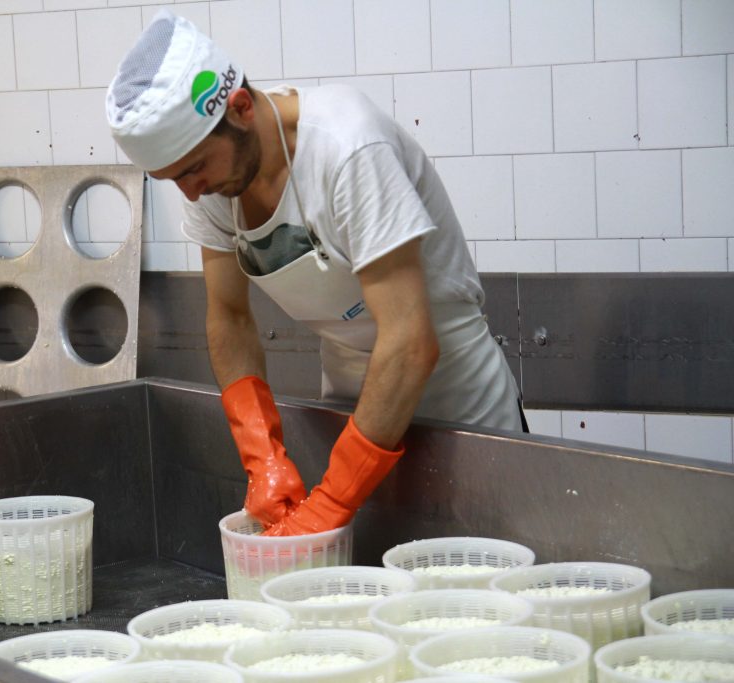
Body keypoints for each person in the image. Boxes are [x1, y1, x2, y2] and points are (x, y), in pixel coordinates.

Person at [106, 11, 524, 537]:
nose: (190, 193)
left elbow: (410, 342)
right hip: (353, 414)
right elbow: (230, 318)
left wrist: (331, 502)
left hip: (461, 409)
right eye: (173, 180)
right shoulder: (216, 182)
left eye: (193, 170)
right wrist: (262, 456)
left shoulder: (348, 148)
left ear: (239, 108)